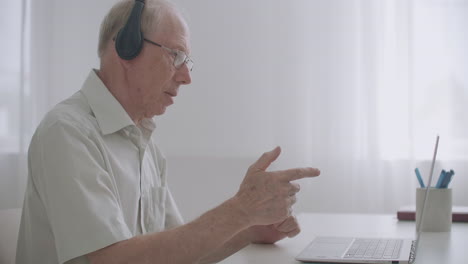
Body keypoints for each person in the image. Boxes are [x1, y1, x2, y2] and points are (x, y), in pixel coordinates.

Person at [16, 0, 321, 263]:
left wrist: (250, 229)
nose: (186, 77)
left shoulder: (145, 145)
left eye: (187, 61)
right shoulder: (67, 133)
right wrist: (240, 210)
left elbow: (175, 253)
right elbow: (114, 260)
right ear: (126, 47)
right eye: (175, 55)